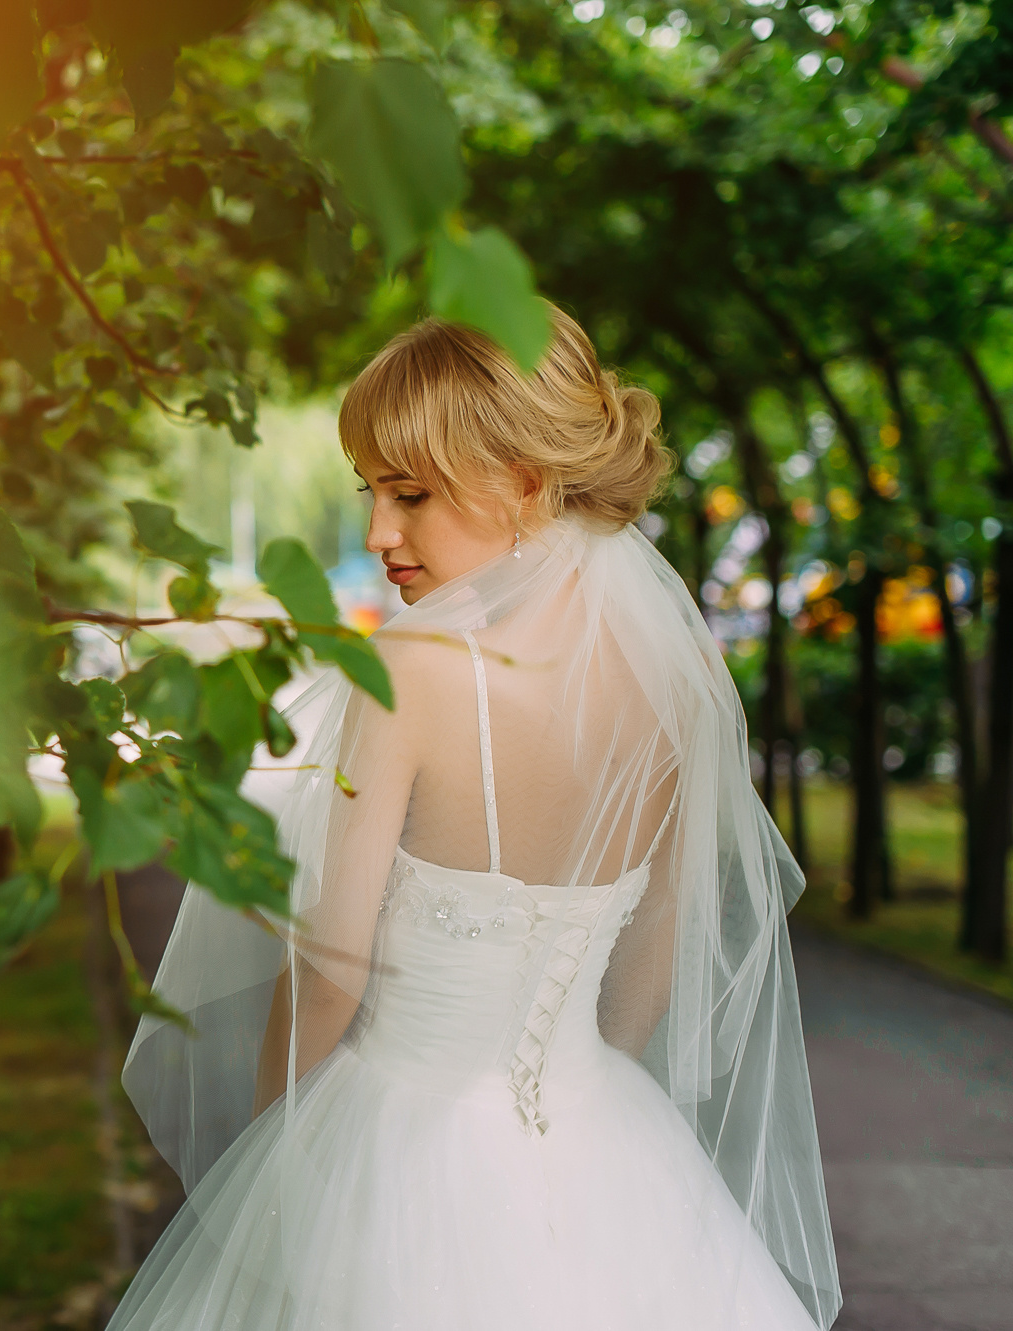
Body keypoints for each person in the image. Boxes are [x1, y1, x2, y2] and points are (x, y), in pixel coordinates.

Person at [111, 307, 839, 1330]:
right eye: (367, 490)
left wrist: (271, 1144)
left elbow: (328, 972)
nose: (376, 532)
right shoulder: (674, 686)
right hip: (605, 1141)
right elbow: (644, 977)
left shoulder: (407, 673)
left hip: (392, 1136)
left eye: (409, 493)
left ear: (526, 484)